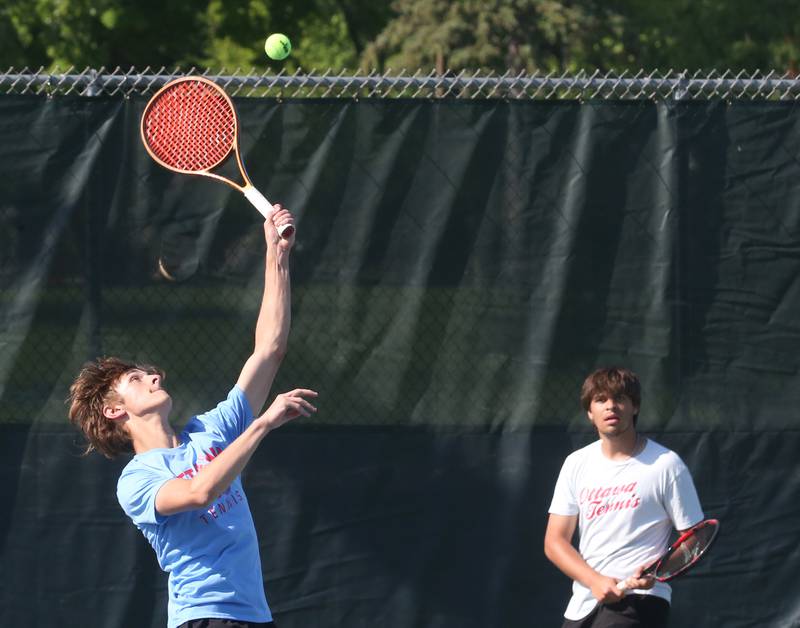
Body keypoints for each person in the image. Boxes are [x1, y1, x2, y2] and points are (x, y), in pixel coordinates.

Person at [67, 206, 317, 628]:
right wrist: (262, 423)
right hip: (203, 619)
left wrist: (277, 256)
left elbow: (269, 350)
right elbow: (201, 493)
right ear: (114, 410)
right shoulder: (137, 482)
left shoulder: (210, 431)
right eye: (136, 377)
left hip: (254, 617)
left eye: (149, 372)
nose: (152, 376)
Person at [544, 366, 704, 628]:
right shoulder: (576, 464)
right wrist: (595, 581)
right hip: (583, 606)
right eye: (601, 400)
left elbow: (696, 539)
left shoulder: (666, 465)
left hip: (641, 602)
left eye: (620, 399)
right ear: (589, 413)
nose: (611, 407)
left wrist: (657, 571)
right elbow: (555, 541)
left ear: (635, 408)